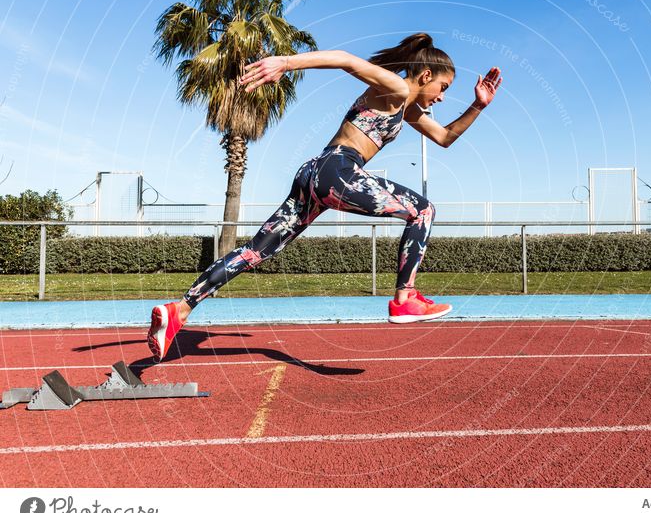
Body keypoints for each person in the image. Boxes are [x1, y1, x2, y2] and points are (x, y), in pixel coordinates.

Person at [147, 33, 502, 361]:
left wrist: (479, 106)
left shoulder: (406, 107)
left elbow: (443, 137)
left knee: (256, 250)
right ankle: (405, 299)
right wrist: (284, 63)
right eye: (443, 87)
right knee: (423, 211)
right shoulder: (395, 85)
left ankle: (179, 310)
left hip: (313, 173)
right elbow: (346, 60)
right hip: (339, 171)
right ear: (425, 75)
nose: (441, 97)